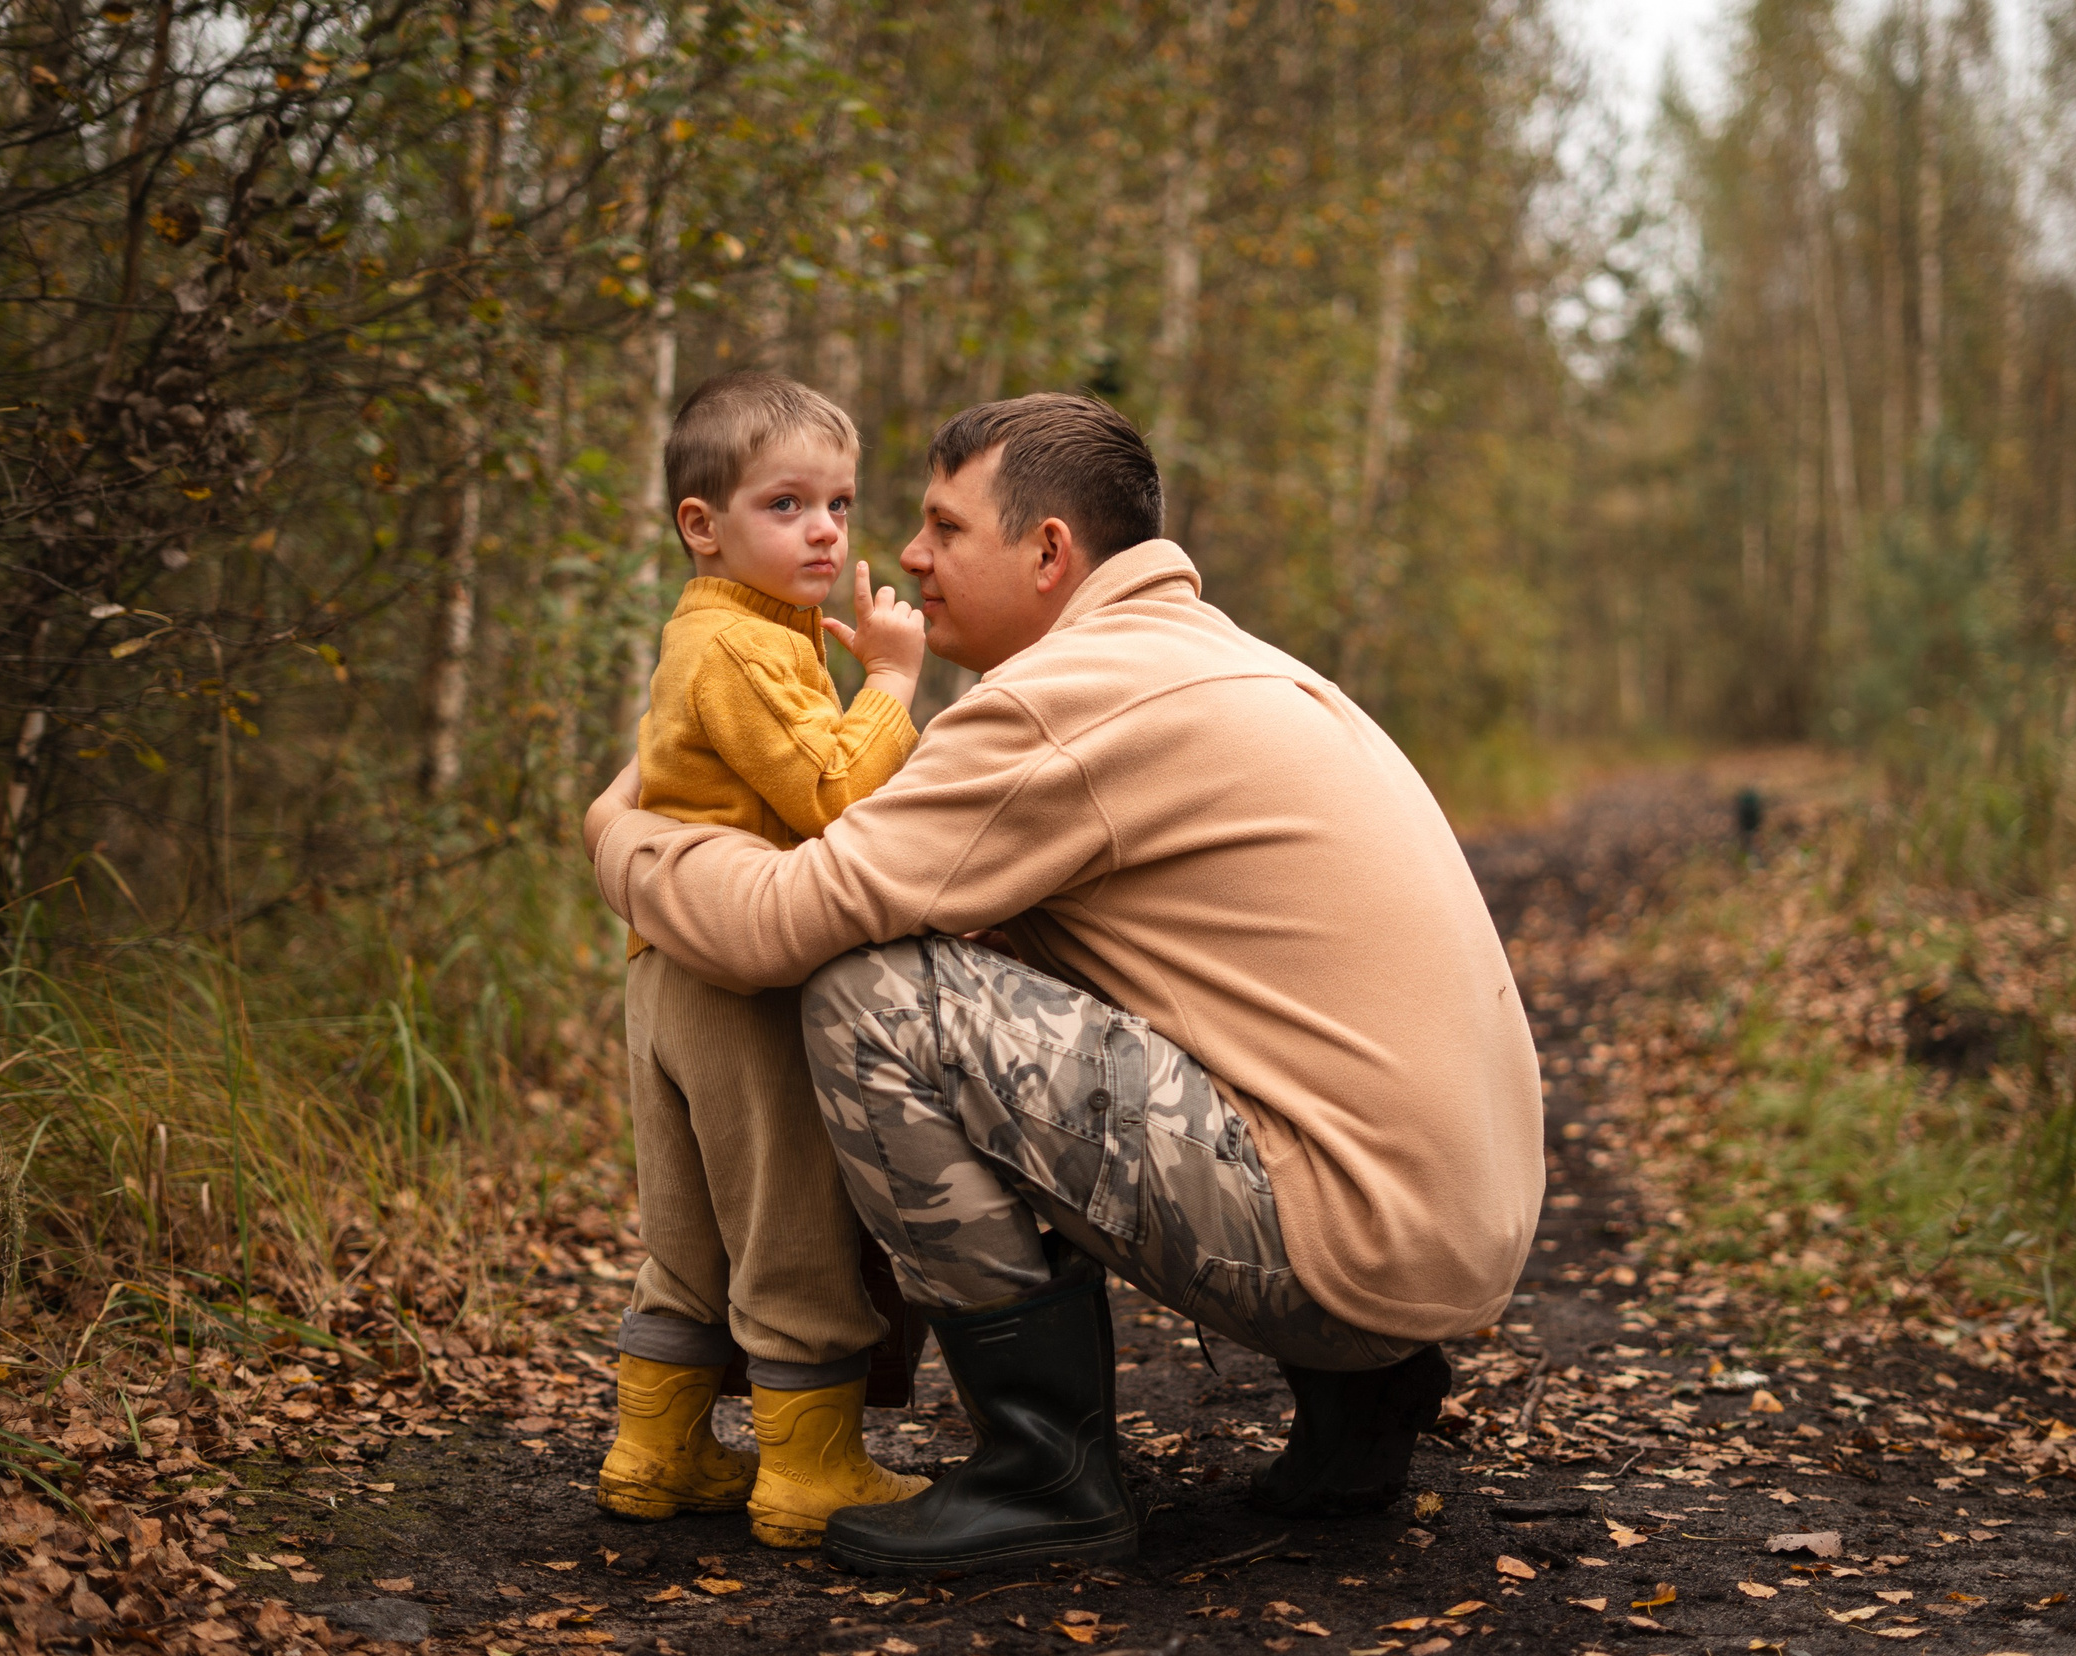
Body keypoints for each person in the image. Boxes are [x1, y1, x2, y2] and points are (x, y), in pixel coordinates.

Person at [586, 392, 1542, 1575]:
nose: (910, 556)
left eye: (944, 529)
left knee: (874, 996)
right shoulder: (1223, 660)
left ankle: (1044, 1474)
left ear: (1049, 553)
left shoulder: (1064, 701)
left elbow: (786, 923)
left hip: (1347, 1243)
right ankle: (1363, 1399)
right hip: (1445, 1235)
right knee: (995, 967)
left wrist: (624, 840)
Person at [595, 370, 933, 1551]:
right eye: (786, 505)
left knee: (684, 1232)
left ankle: (657, 1448)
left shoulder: (718, 636)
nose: (828, 532)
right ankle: (810, 1470)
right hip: (739, 980)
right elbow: (833, 793)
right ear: (704, 525)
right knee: (790, 1214)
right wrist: (891, 681)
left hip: (663, 967)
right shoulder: (742, 646)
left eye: (838, 504)